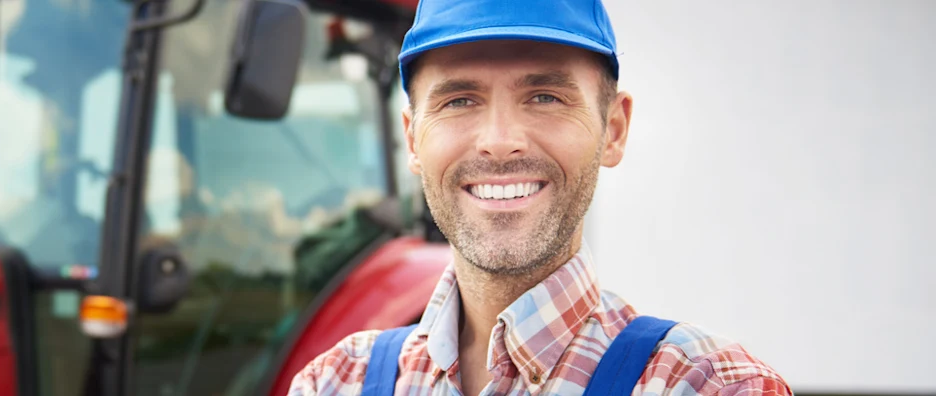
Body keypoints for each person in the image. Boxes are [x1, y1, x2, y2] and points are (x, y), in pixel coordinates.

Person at [287, 0, 791, 395]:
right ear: (413, 138)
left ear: (613, 130)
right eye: (459, 100)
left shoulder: (710, 387)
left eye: (545, 97)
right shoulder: (334, 383)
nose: (500, 139)